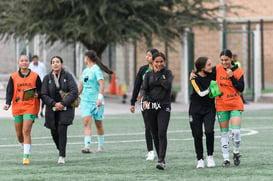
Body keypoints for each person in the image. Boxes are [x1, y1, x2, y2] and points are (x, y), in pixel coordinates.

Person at [3, 55, 41, 165]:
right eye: (22, 61)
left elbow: (41, 90)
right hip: (17, 107)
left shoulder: (35, 76)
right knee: (19, 135)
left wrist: (37, 95)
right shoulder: (13, 76)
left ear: (29, 63)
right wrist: (7, 103)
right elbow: (9, 91)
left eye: (26, 61)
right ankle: (23, 144)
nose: (24, 62)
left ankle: (26, 156)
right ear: (18, 63)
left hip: (30, 106)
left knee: (26, 130)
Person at [41, 56, 78, 164]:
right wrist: (54, 103)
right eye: (53, 62)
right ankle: (60, 148)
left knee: (62, 130)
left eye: (57, 62)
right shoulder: (47, 78)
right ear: (51, 65)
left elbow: (74, 92)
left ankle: (62, 155)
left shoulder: (68, 76)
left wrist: (63, 103)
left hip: (66, 109)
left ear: (62, 64)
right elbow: (43, 94)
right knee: (54, 132)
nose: (55, 64)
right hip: (51, 109)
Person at [141, 52, 173, 170]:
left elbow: (167, 86)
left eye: (161, 62)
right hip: (151, 107)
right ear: (152, 62)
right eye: (157, 62)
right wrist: (144, 99)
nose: (159, 64)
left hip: (164, 107)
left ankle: (161, 160)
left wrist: (159, 74)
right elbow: (144, 89)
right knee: (154, 133)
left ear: (164, 62)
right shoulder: (148, 75)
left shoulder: (167, 73)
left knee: (162, 132)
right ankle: (160, 157)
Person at [78, 50, 113, 153]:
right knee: (86, 122)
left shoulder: (96, 70)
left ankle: (100, 146)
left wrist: (99, 97)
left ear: (87, 58)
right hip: (85, 101)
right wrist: (74, 96)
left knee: (98, 124)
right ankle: (87, 146)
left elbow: (102, 84)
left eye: (85, 57)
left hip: (97, 102)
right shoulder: (85, 71)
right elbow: (80, 86)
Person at [216, 49, 245, 167]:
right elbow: (205, 73)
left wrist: (232, 77)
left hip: (235, 103)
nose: (224, 62)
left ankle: (236, 153)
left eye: (226, 60)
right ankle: (226, 159)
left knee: (236, 132)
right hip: (221, 104)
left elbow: (241, 88)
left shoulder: (238, 71)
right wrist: (194, 74)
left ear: (231, 59)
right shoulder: (217, 69)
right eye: (222, 60)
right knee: (224, 133)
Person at [130, 48, 158, 161]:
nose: (147, 58)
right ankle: (150, 151)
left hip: (158, 102)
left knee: (159, 127)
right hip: (145, 102)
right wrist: (132, 102)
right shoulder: (143, 70)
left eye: (149, 56)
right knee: (148, 126)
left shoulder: (161, 70)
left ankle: (160, 149)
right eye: (146, 55)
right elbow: (137, 86)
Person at [189, 57, 216, 168]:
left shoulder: (212, 74)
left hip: (209, 109)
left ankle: (210, 156)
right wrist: (213, 88)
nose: (211, 66)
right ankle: (200, 159)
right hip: (195, 110)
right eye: (209, 65)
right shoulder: (194, 78)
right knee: (197, 135)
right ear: (202, 67)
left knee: (209, 132)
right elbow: (201, 93)